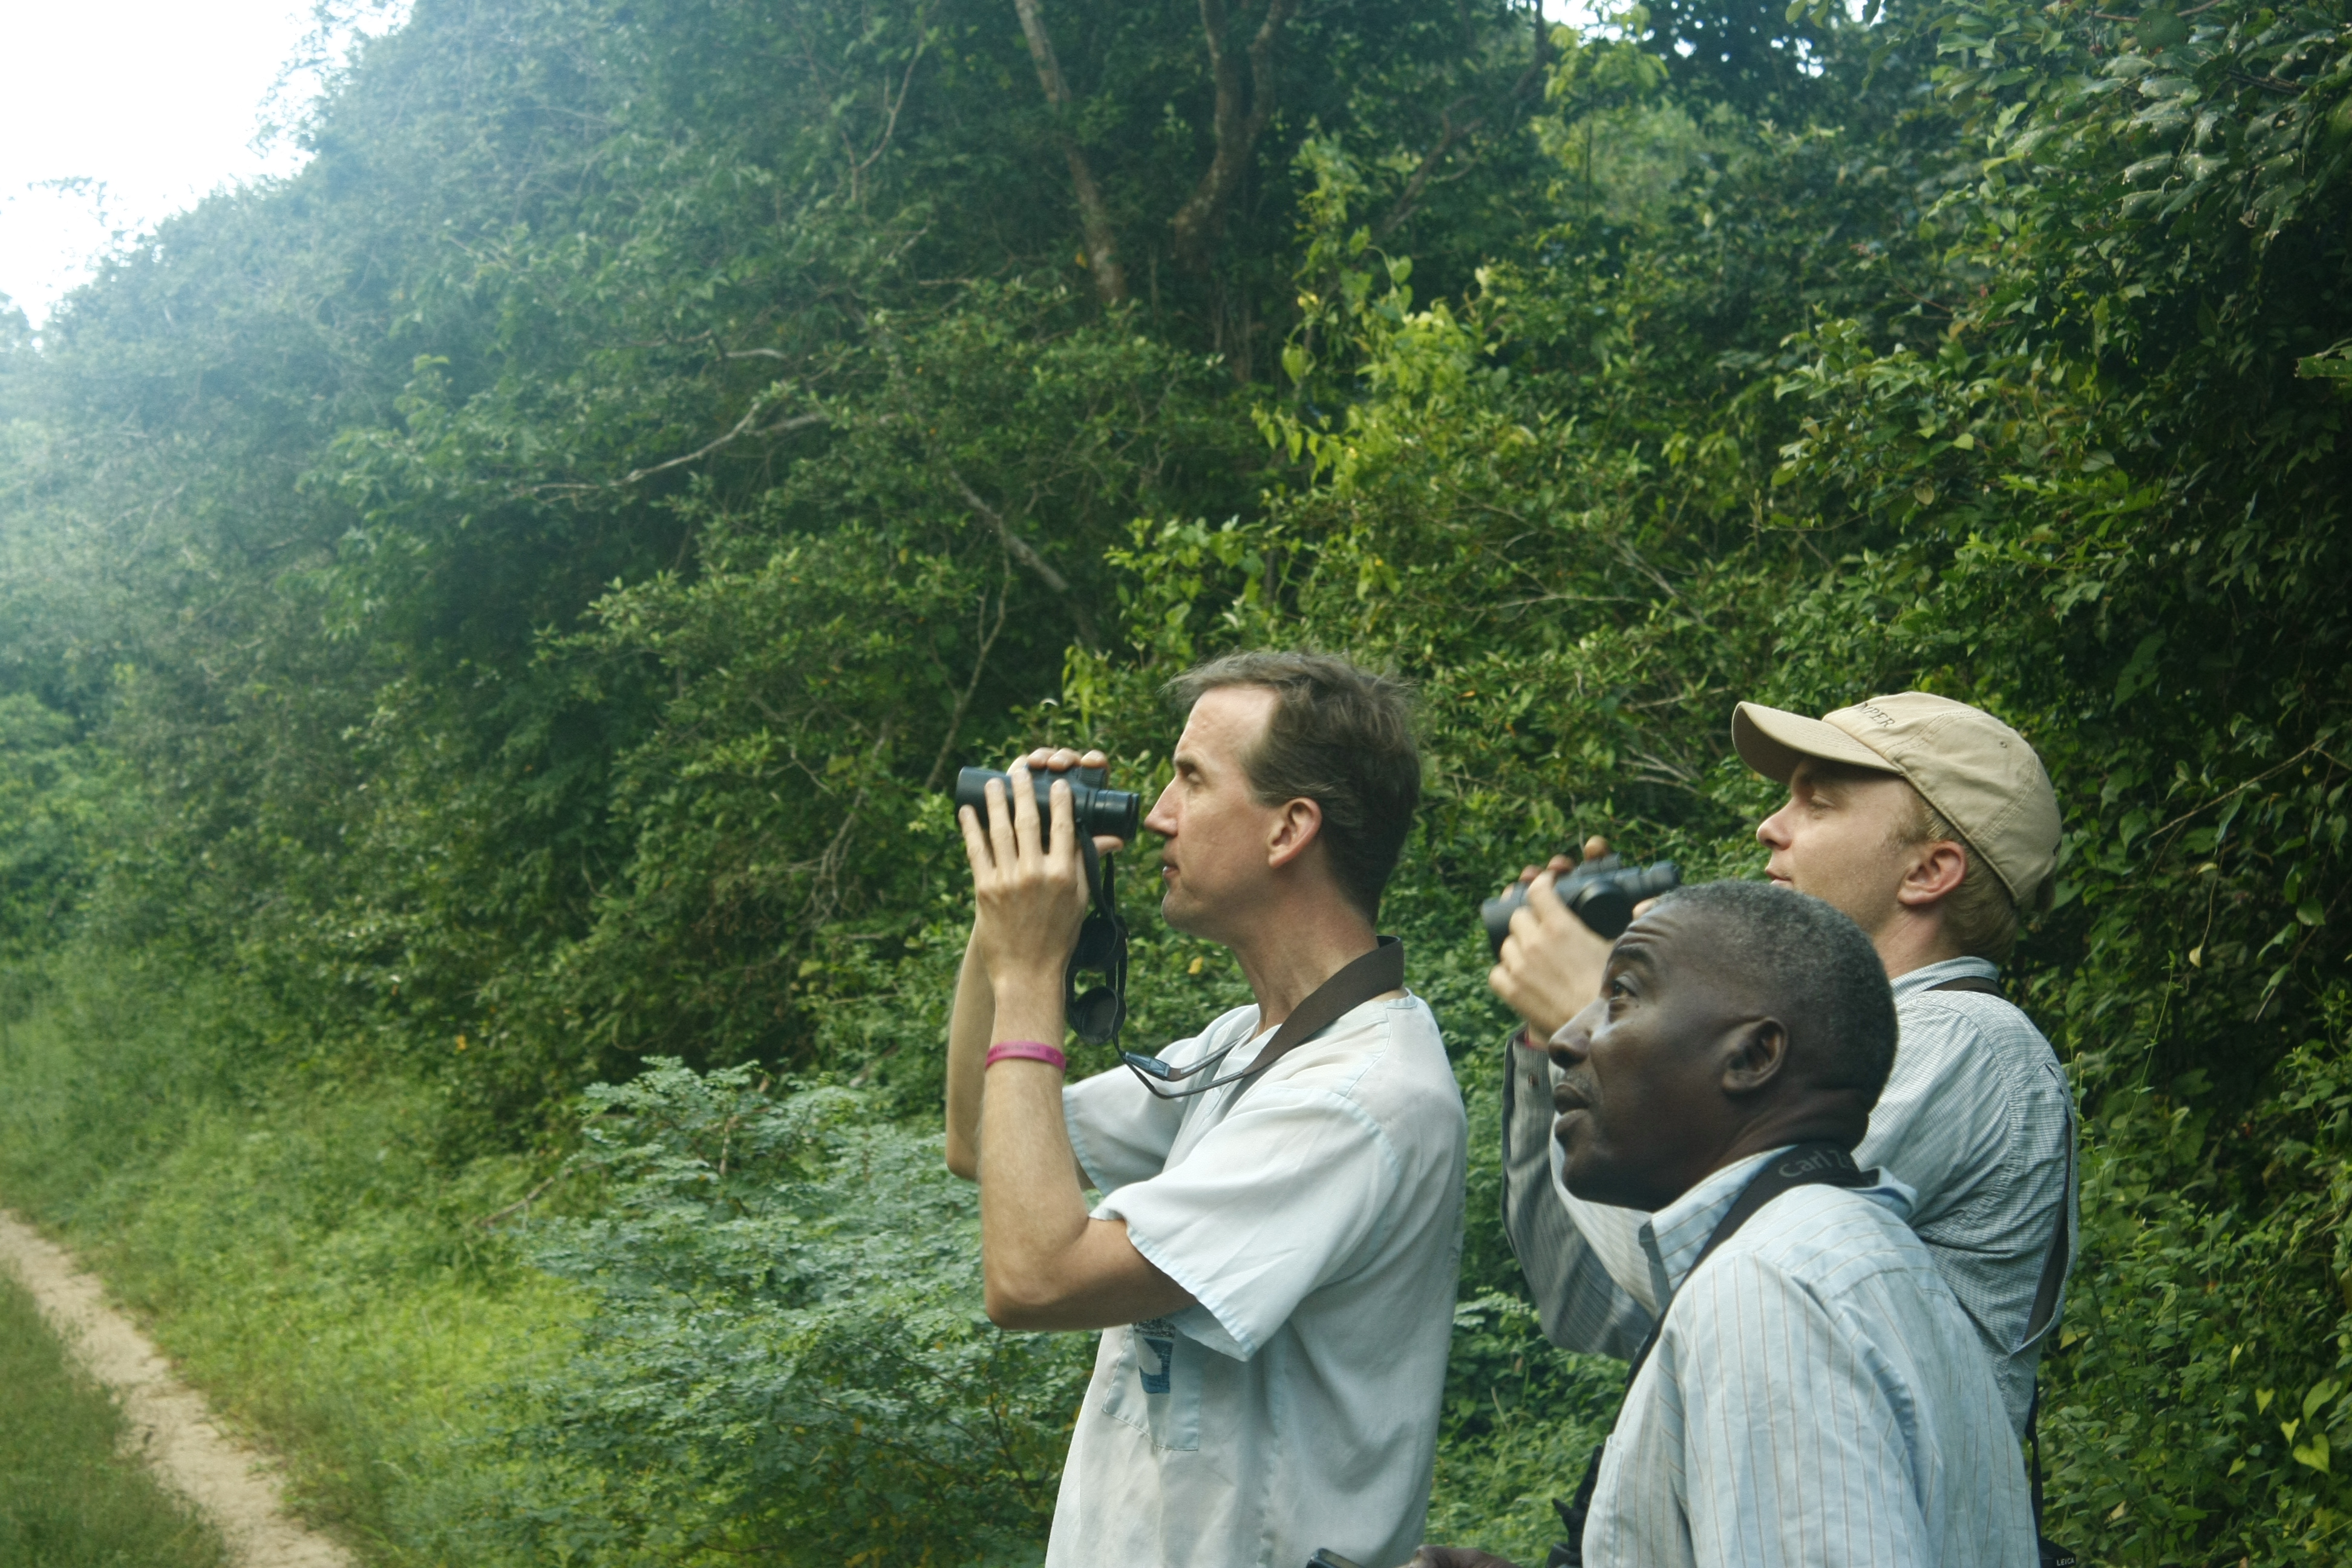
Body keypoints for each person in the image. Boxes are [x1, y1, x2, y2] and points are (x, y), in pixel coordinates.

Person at [946, 650, 1468, 1568]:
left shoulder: (1358, 1099)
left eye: (1190, 779)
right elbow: (980, 1141)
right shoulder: (1250, 1045)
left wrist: (1031, 970)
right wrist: (1007, 914)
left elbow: (1033, 1279)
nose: (1157, 814)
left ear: (1288, 830)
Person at [1489, 692, 2076, 1431]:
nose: (1770, 825)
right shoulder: (1804, 1045)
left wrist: (1604, 1014)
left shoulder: (1964, 1040)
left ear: (1929, 871)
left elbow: (1717, 1262)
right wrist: (1558, 1047)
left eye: (1817, 804)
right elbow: (1589, 1311)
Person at [1411, 881, 2038, 1567]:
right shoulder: (1861, 1255)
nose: (1564, 1039)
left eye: (1619, 996)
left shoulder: (1768, 1289)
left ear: (1753, 1057)